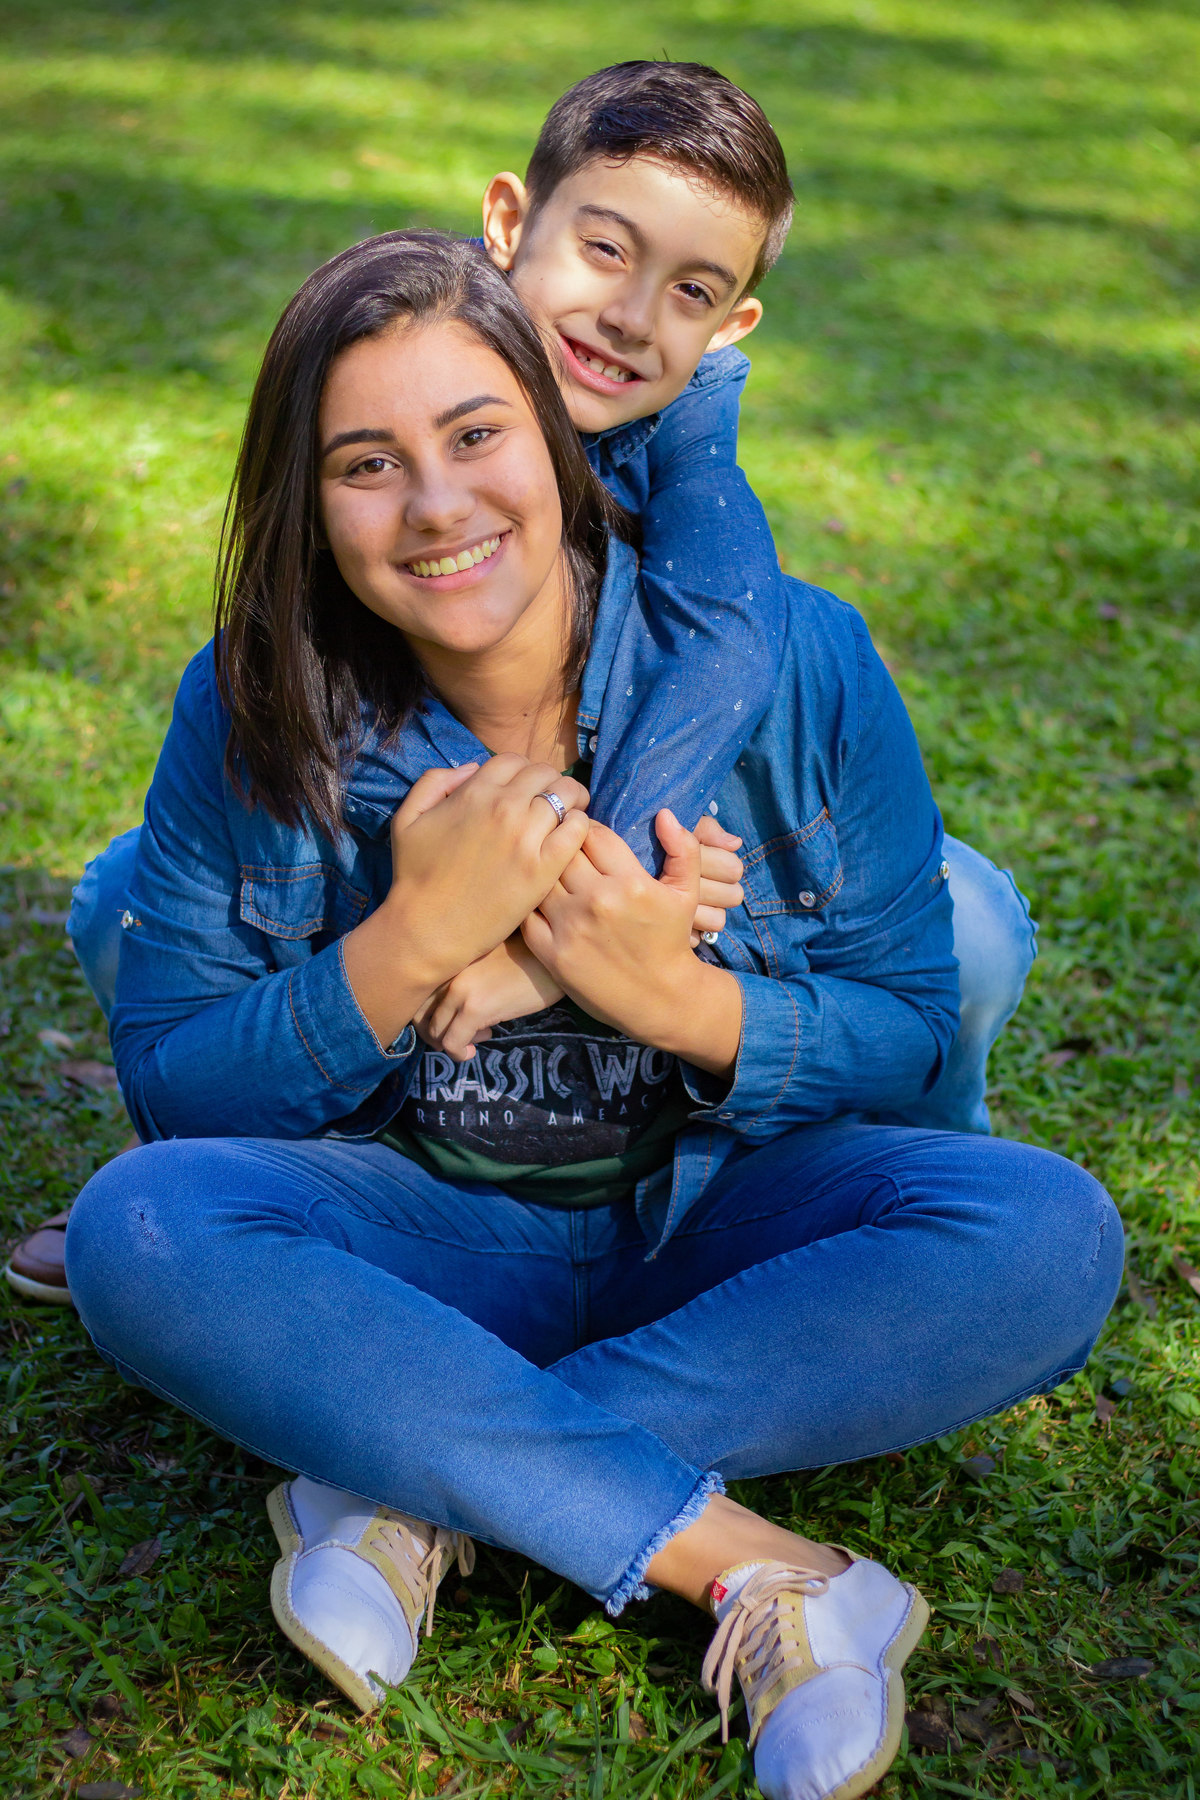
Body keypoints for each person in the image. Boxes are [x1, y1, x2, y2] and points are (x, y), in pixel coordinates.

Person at [64, 233, 1121, 1800]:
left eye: (478, 436)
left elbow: (906, 1017)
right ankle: (758, 1568)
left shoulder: (801, 660)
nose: (437, 508)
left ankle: (421, 1477)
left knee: (1049, 1233)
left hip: (718, 1226)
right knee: (139, 1228)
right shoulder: (252, 697)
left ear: (557, 442)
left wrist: (683, 1001)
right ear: (307, 500)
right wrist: (414, 937)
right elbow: (176, 1093)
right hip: (418, 1233)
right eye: (368, 462)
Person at [5, 61, 1033, 1304]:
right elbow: (336, 641)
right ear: (508, 226)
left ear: (726, 329)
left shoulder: (685, 445)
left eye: (690, 290)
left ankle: (907, 1153)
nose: (628, 317)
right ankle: (234, 1174)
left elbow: (722, 645)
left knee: (959, 921)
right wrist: (449, 923)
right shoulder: (407, 345)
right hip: (440, 886)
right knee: (138, 897)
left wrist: (589, 915)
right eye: (605, 249)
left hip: (650, 876)